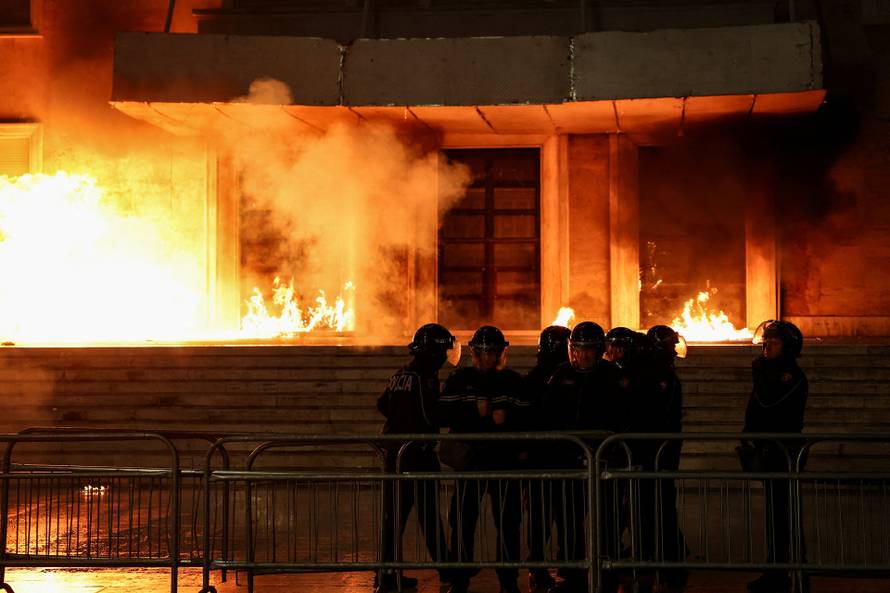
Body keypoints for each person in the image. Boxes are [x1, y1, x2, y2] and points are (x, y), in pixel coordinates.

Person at [437, 326, 527, 593]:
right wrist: (478, 415)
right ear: (474, 353)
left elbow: (527, 419)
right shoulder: (460, 378)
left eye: (493, 352)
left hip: (503, 462)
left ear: (501, 353)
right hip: (471, 462)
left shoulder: (513, 381)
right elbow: (443, 414)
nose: (488, 358)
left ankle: (508, 578)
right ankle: (460, 577)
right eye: (484, 352)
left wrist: (506, 421)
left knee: (508, 522)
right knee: (463, 520)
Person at [375, 323, 461, 593]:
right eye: (444, 349)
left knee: (394, 520)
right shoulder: (425, 377)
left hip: (394, 455)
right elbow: (430, 414)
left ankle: (386, 576)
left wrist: (400, 420)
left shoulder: (401, 373)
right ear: (434, 352)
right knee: (429, 517)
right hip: (417, 456)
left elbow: (382, 404)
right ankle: (447, 571)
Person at [545, 321, 625, 593]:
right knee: (568, 516)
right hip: (567, 459)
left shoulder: (612, 375)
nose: (584, 355)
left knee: (606, 516)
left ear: (600, 350)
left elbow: (623, 415)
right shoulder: (560, 375)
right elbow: (549, 413)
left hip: (603, 457)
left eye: (590, 350)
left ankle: (608, 566)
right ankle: (571, 568)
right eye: (579, 349)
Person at [742, 320, 808, 593]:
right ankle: (776, 569)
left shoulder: (789, 375)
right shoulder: (768, 371)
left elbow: (769, 401)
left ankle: (786, 571)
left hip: (784, 453)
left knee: (783, 514)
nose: (766, 345)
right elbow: (755, 409)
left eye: (774, 341)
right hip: (768, 451)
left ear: (789, 347)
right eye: (766, 340)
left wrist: (761, 371)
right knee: (774, 514)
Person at [524, 326, 572, 593]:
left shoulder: (533, 378)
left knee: (542, 517)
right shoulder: (564, 377)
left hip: (541, 459)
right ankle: (568, 563)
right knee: (566, 514)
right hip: (560, 457)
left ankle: (539, 565)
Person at [644, 325, 689, 592]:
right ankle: (665, 553)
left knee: (660, 505)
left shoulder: (663, 378)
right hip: (659, 451)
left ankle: (669, 556)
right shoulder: (657, 376)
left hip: (662, 452)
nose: (674, 350)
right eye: (670, 346)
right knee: (655, 505)